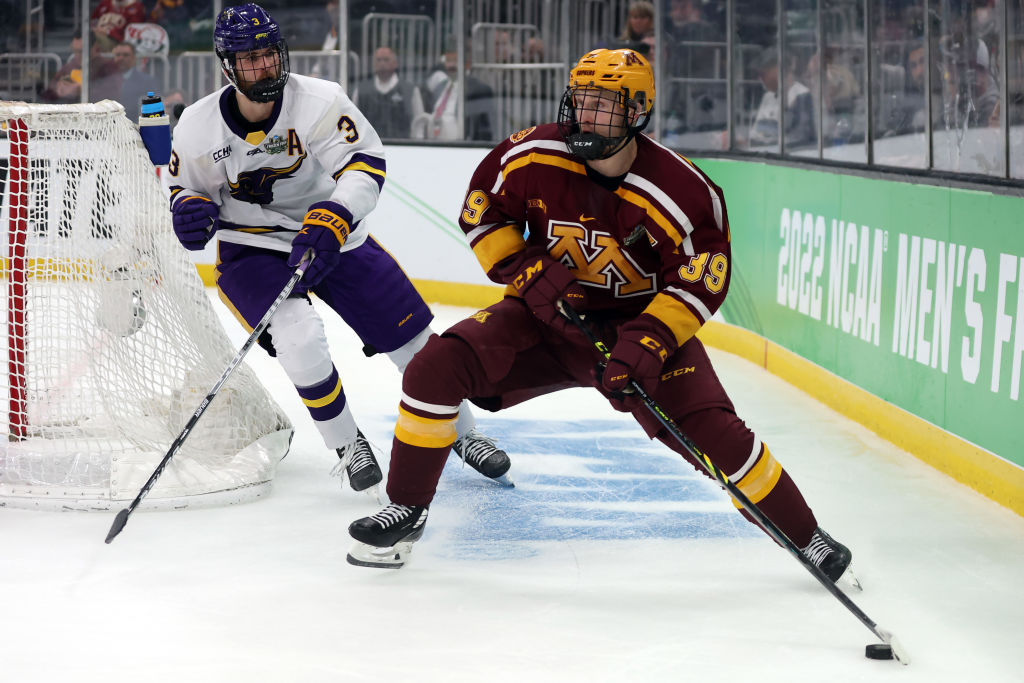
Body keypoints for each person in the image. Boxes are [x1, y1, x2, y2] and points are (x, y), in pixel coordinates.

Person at [347, 48, 854, 581]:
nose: (585, 115)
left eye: (603, 104)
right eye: (581, 101)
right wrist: (523, 269)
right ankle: (407, 508)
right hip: (544, 321)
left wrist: (651, 341)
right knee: (434, 367)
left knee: (718, 437)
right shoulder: (534, 153)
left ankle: (807, 537)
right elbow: (480, 207)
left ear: (637, 111)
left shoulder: (683, 191)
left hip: (637, 333)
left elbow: (703, 278)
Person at [163, 3, 511, 496]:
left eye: (269, 54)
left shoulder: (320, 100)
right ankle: (348, 445)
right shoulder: (198, 127)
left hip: (333, 234)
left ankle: (464, 432)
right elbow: (185, 192)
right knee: (298, 337)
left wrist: (337, 214)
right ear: (228, 66)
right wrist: (189, 212)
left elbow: (365, 163)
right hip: (252, 247)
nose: (264, 66)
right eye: (250, 58)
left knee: (412, 343)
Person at [744, 45, 815, 148]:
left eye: (763, 74)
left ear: (778, 70)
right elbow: (756, 133)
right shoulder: (768, 96)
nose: (760, 79)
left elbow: (799, 137)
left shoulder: (802, 96)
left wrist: (762, 144)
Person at [423, 41, 495, 141]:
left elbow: (484, 130)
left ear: (467, 64)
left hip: (459, 146)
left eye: (455, 60)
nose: (451, 65)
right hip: (432, 143)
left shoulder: (478, 89)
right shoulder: (440, 86)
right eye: (448, 60)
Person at [352, 45, 425, 139]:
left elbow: (419, 122)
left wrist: (417, 144)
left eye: (386, 60)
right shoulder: (361, 91)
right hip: (370, 149)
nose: (382, 63)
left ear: (395, 63)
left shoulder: (410, 90)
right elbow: (354, 120)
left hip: (404, 147)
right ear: (373, 64)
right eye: (378, 60)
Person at [39, 31, 121, 104]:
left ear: (95, 48)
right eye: (74, 51)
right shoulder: (71, 65)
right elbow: (48, 93)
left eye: (81, 51)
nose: (77, 56)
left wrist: (82, 90)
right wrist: (57, 89)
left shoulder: (108, 66)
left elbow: (112, 95)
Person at [111, 41, 160, 121]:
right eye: (118, 55)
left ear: (134, 58)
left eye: (125, 55)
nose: (121, 58)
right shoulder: (106, 80)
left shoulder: (147, 81)